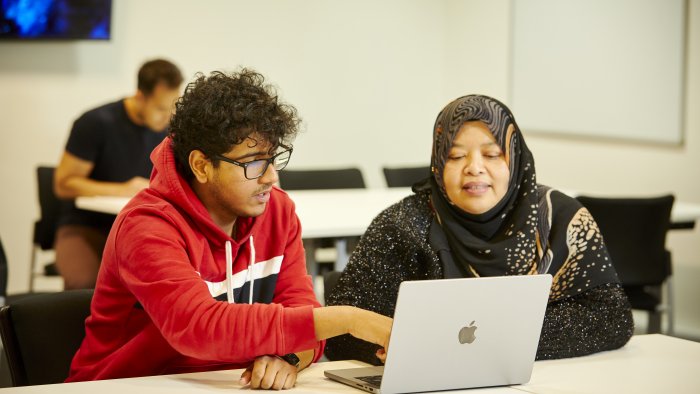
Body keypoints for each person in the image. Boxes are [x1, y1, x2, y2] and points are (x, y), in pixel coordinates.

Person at [66, 69, 392, 389]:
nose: (270, 177)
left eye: (273, 157)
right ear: (202, 165)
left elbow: (303, 319)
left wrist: (289, 358)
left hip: (227, 385)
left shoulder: (277, 211)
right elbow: (199, 328)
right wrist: (349, 319)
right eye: (253, 162)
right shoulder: (146, 227)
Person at [325, 94, 634, 364]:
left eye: (491, 154)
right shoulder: (401, 227)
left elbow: (611, 317)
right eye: (456, 155)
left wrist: (483, 342)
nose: (474, 167)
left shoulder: (558, 219)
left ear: (516, 160)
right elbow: (339, 333)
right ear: (437, 163)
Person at [53, 59, 184, 290]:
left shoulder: (169, 130)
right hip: (86, 227)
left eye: (172, 108)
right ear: (140, 96)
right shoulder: (95, 123)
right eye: (161, 109)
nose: (167, 118)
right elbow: (63, 184)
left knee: (166, 283)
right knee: (85, 286)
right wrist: (121, 189)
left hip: (138, 229)